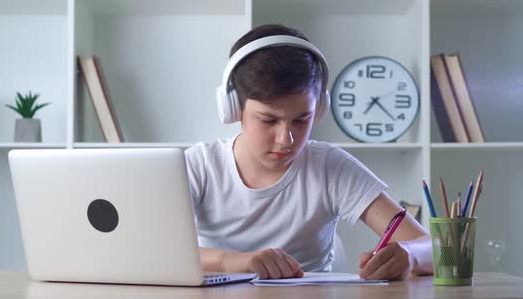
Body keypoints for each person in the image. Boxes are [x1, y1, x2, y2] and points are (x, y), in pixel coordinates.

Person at [184, 24, 433, 280]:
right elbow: (145, 249)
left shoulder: (329, 166)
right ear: (233, 109)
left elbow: (434, 249)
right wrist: (235, 262)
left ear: (320, 108)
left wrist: (410, 256)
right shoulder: (200, 165)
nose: (286, 139)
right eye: (268, 120)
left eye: (302, 120)